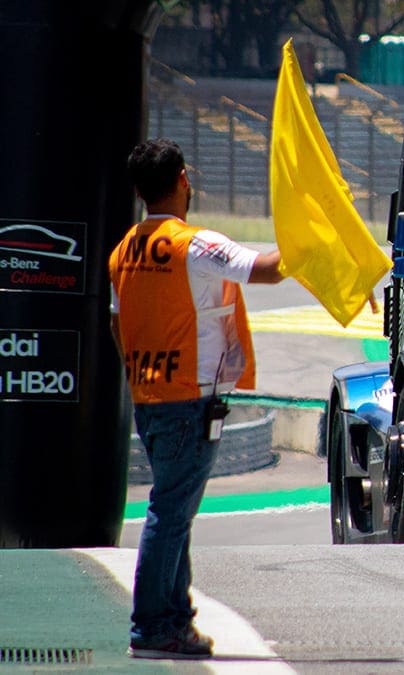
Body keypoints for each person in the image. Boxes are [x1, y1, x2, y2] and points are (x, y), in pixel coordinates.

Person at [108, 138, 284, 660]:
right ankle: (152, 626)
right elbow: (269, 269)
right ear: (183, 180)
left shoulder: (123, 250)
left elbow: (118, 323)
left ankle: (175, 619)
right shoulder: (196, 245)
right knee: (170, 511)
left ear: (139, 192)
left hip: (149, 393)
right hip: (189, 397)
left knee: (174, 509)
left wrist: (140, 373)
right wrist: (314, 239)